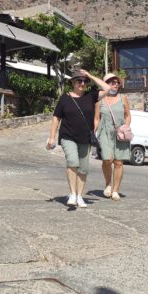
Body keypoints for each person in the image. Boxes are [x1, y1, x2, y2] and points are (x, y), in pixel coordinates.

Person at [46, 69, 110, 208]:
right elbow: (56, 117)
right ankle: (73, 194)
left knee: (83, 168)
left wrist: (90, 75)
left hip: (85, 137)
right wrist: (51, 137)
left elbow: (107, 88)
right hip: (68, 136)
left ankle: (80, 196)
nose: (82, 83)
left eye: (84, 81)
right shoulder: (64, 98)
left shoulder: (91, 96)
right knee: (72, 161)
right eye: (79, 81)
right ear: (73, 83)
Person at [88, 72, 132, 201]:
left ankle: (115, 190)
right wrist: (92, 131)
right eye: (112, 82)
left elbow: (128, 115)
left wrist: (126, 126)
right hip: (105, 131)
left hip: (120, 132)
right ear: (106, 84)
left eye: (117, 82)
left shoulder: (123, 98)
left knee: (119, 162)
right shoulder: (99, 99)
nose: (115, 85)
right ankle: (107, 184)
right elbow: (96, 118)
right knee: (107, 159)